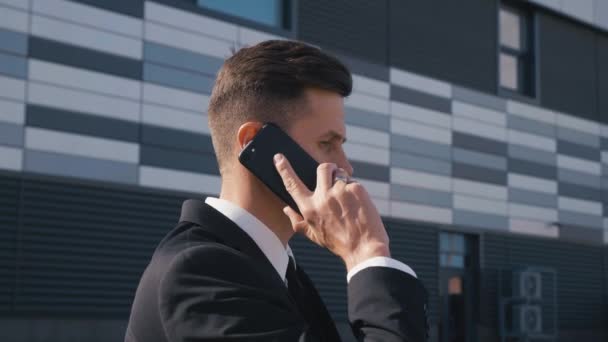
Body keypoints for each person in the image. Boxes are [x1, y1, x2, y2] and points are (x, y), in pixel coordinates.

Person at [125, 40, 428, 341]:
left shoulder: (278, 270)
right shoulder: (199, 272)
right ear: (254, 141)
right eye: (327, 143)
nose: (345, 166)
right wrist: (369, 254)